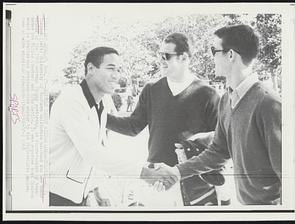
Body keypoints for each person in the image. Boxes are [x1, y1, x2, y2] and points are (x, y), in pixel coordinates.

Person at [151, 24, 282, 205]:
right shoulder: (226, 99)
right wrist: (177, 172)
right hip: (245, 207)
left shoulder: (269, 104)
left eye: (214, 50)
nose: (211, 57)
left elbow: (289, 175)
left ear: (230, 55)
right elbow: (218, 151)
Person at [106, 33, 221, 206]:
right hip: (157, 180)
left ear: (183, 57)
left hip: (194, 184)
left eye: (165, 56)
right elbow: (133, 127)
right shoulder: (151, 89)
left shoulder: (208, 94)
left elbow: (219, 142)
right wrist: (99, 117)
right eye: (159, 55)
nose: (160, 60)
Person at [49, 47, 145, 206]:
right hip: (55, 196)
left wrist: (95, 189)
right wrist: (143, 172)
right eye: (110, 68)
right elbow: (93, 153)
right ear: (91, 69)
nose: (116, 76)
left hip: (78, 196)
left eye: (118, 70)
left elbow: (97, 147)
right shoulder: (72, 100)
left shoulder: (101, 103)